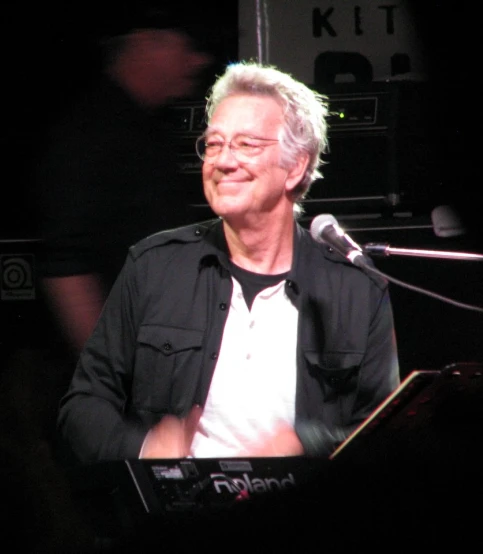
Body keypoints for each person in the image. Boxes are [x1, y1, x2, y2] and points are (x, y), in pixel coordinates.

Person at [56, 61, 401, 464]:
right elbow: (82, 407)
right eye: (215, 143)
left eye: (245, 145)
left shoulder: (357, 288)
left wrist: (309, 445)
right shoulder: (153, 267)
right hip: (180, 517)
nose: (222, 161)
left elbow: (385, 433)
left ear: (296, 166)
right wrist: (146, 447)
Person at [24, 8, 213, 456]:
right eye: (187, 45)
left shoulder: (144, 130)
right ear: (147, 41)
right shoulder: (93, 133)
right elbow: (66, 268)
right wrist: (123, 387)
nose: (198, 61)